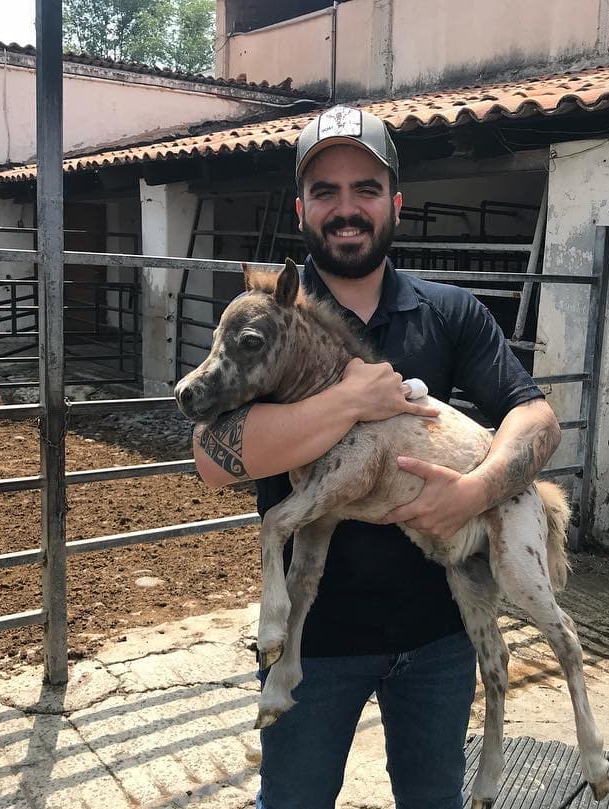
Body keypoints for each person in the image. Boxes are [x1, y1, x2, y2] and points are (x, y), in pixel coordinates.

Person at [191, 105, 561, 809]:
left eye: (365, 187)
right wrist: (349, 402)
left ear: (395, 203)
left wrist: (478, 489)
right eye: (324, 191)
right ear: (301, 210)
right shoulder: (268, 320)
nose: (346, 207)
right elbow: (211, 457)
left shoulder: (448, 312)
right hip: (313, 643)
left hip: (438, 639)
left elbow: (536, 414)